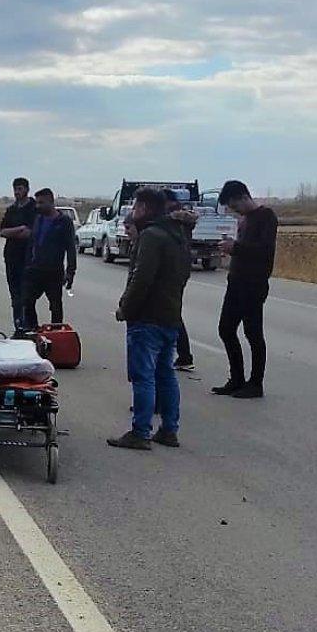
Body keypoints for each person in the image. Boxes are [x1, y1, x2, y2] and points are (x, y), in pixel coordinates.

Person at [108, 187, 192, 450]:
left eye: (135, 207)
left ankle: (140, 431)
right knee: (165, 373)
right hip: (170, 315)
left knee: (143, 375)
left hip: (147, 317)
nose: (133, 212)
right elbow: (184, 274)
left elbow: (141, 278)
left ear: (144, 208)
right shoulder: (176, 234)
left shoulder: (151, 236)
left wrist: (126, 308)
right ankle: (169, 429)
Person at [212, 180, 278, 399]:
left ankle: (255, 383)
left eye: (234, 206)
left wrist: (236, 247)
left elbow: (265, 250)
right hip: (236, 282)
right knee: (226, 329)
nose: (234, 211)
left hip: (254, 284)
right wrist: (232, 250)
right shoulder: (244, 220)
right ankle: (237, 378)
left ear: (243, 197)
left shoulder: (266, 216)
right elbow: (244, 250)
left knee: (253, 333)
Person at [19, 188, 77, 330]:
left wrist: (70, 272)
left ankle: (56, 334)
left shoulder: (64, 222)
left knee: (55, 306)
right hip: (35, 270)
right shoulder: (38, 219)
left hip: (53, 272)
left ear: (51, 202)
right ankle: (33, 330)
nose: (38, 206)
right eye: (37, 203)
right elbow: (32, 243)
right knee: (27, 301)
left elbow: (71, 248)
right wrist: (27, 264)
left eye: (41, 203)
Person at [163, 188, 198, 371]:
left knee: (173, 312)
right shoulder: (179, 217)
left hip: (176, 270)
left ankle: (184, 355)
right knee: (173, 311)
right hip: (180, 268)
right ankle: (183, 355)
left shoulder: (177, 217)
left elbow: (190, 218)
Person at [0, 177, 38, 329]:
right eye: (15, 189)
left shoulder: (34, 208)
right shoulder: (11, 210)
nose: (17, 192)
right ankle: (19, 327)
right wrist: (19, 229)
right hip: (11, 257)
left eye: (20, 189)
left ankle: (30, 327)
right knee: (15, 297)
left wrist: (15, 231)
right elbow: (2, 231)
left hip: (28, 258)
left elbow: (29, 233)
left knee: (26, 297)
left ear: (27, 189)